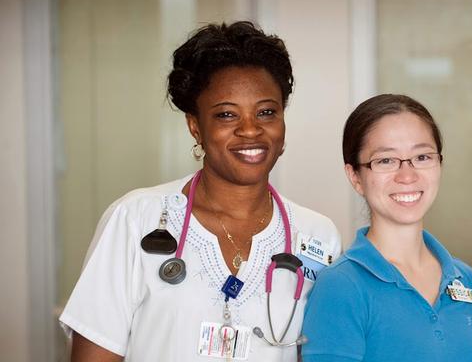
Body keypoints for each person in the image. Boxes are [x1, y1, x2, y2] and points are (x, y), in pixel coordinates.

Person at [60, 21, 342, 361]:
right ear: (196, 127)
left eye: (266, 112)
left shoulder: (318, 236)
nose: (250, 130)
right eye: (226, 115)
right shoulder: (136, 219)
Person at [301, 94, 472, 362]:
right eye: (386, 160)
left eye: (422, 156)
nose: (407, 176)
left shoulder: (464, 280)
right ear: (355, 177)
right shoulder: (341, 287)